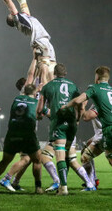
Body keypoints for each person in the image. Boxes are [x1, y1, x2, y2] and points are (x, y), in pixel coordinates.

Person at [63, 66, 112, 196]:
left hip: (111, 129)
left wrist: (67, 106)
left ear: (97, 77)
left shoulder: (94, 88)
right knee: (88, 156)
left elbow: (78, 100)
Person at [37, 63, 95, 195]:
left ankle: (63, 187)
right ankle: (85, 183)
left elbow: (40, 109)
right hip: (72, 124)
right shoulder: (73, 86)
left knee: (60, 157)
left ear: (54, 73)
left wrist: (44, 112)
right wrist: (78, 119)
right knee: (70, 158)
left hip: (59, 124)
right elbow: (80, 105)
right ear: (66, 73)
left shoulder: (48, 87)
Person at [0, 0, 56, 85]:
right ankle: (44, 91)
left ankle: (53, 93)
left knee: (52, 68)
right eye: (10, 14)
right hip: (40, 42)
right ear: (12, 19)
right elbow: (8, 1)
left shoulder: (25, 17)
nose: (11, 12)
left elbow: (22, 1)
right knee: (45, 71)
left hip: (45, 42)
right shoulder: (18, 20)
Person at [0, 84, 43, 194]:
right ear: (35, 93)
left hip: (12, 133)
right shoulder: (36, 103)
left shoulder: (17, 99)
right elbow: (41, 115)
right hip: (27, 134)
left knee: (5, 161)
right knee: (37, 160)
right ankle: (38, 187)